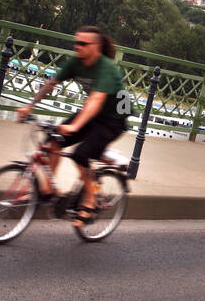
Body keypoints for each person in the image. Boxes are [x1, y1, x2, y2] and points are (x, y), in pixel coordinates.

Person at [16, 26, 126, 226]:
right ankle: (50, 191)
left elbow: (96, 100)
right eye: (76, 42)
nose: (78, 47)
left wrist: (75, 127)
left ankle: (90, 202)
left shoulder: (107, 68)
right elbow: (51, 84)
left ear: (97, 47)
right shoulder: (77, 62)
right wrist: (29, 106)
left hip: (114, 119)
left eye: (83, 43)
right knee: (53, 141)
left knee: (81, 154)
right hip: (93, 113)